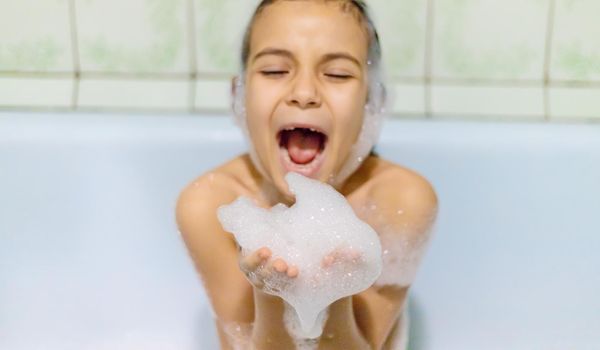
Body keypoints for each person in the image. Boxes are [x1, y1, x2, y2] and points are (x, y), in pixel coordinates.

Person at [176, 1, 438, 349]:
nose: (304, 93)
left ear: (371, 100)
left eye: (337, 74)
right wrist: (269, 294)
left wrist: (334, 290)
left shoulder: (400, 202)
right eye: (273, 71)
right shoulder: (210, 205)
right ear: (239, 94)